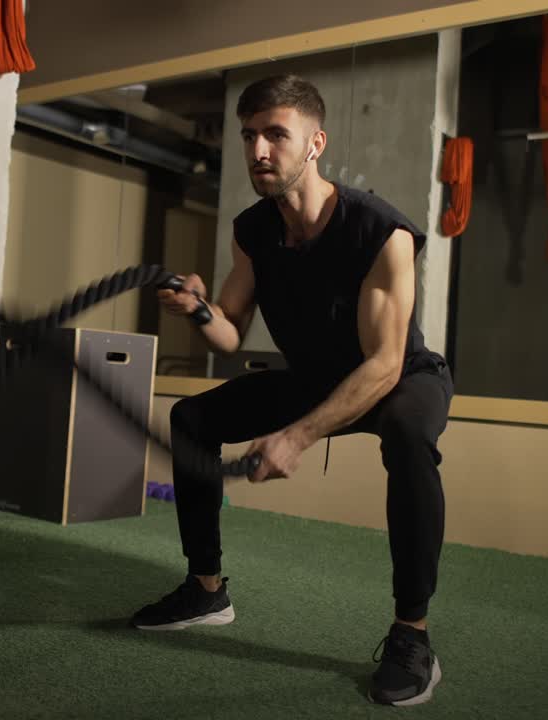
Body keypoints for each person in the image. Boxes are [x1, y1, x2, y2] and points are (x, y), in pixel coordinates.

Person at [131, 74, 454, 707]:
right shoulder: (254, 230)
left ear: (314, 143)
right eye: (249, 135)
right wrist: (198, 308)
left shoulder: (380, 231)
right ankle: (206, 589)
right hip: (316, 377)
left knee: (410, 434)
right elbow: (229, 333)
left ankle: (412, 634)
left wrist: (297, 436)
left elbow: (384, 365)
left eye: (276, 134)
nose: (258, 150)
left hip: (399, 376)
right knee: (192, 417)